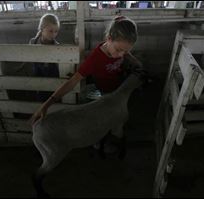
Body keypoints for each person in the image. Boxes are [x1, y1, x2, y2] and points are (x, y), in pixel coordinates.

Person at [29, 16, 142, 153]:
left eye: (126, 51)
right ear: (109, 39)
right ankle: (100, 141)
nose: (121, 55)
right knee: (105, 120)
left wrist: (133, 60)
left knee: (120, 119)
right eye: (119, 50)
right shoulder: (95, 59)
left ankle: (115, 135)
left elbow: (128, 54)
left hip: (118, 90)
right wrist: (47, 104)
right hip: (105, 95)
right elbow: (72, 82)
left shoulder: (119, 47)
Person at [29, 13, 60, 101]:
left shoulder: (57, 47)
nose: (53, 34)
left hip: (53, 80)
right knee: (40, 97)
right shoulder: (33, 43)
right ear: (42, 29)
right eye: (50, 31)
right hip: (38, 78)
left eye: (56, 31)